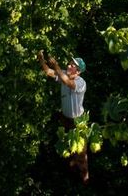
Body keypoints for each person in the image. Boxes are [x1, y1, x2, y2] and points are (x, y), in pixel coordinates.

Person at [38, 50, 89, 183]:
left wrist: (56, 66)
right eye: (70, 63)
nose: (69, 65)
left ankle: (85, 178)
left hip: (79, 122)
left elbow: (67, 83)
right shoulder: (64, 74)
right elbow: (49, 72)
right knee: (69, 146)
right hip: (65, 119)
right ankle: (72, 173)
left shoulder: (81, 83)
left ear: (78, 72)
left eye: (73, 65)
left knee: (82, 152)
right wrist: (41, 60)